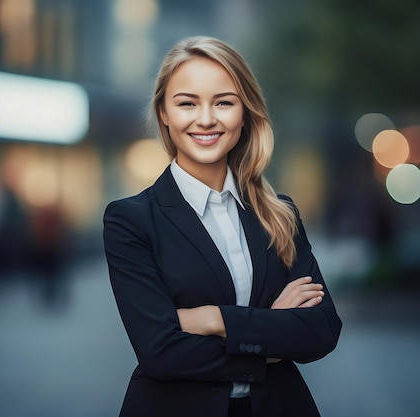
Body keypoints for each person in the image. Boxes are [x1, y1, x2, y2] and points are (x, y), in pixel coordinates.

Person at [103, 36, 342, 417]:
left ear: (244, 113)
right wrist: (272, 333)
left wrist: (213, 319)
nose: (206, 119)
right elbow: (160, 353)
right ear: (163, 112)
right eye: (187, 103)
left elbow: (322, 330)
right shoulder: (131, 220)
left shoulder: (280, 215)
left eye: (224, 102)